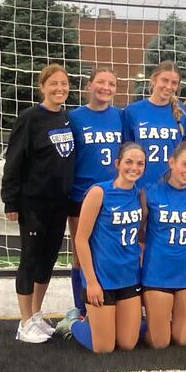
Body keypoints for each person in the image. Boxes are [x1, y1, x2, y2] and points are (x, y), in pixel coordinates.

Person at [1, 64, 75, 343]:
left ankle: (36, 314)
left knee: (48, 261)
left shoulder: (67, 119)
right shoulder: (30, 118)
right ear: (42, 87)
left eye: (64, 84)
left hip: (59, 204)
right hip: (34, 203)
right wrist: (10, 200)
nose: (59, 89)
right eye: (53, 84)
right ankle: (23, 323)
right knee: (30, 261)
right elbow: (14, 161)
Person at [71, 142, 146, 353]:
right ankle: (75, 322)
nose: (134, 168)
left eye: (140, 164)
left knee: (128, 344)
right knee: (104, 348)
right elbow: (80, 240)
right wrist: (92, 282)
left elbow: (140, 237)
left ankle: (103, 323)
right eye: (129, 162)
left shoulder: (139, 195)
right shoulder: (99, 192)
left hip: (129, 277)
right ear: (117, 164)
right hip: (102, 279)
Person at [65, 67, 124, 320]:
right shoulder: (74, 117)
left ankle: (117, 302)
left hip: (115, 196)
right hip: (81, 195)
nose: (106, 87)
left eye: (111, 83)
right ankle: (81, 309)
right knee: (81, 252)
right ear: (89, 85)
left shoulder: (121, 116)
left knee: (111, 250)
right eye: (101, 82)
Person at [140, 142, 186, 348]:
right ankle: (138, 324)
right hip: (157, 271)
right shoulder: (150, 192)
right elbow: (139, 232)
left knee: (184, 341)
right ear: (171, 162)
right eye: (185, 165)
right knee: (160, 342)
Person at [123, 61, 186, 186]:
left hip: (170, 186)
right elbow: (125, 150)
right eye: (164, 80)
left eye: (174, 83)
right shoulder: (133, 111)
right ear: (153, 79)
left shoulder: (181, 112)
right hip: (138, 185)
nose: (169, 86)